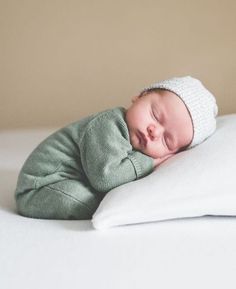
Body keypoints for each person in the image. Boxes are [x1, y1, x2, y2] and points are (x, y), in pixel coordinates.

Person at [15, 76, 218, 220]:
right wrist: (149, 161)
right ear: (140, 95)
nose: (154, 131)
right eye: (155, 115)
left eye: (167, 140)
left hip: (67, 179)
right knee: (89, 201)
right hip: (41, 184)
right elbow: (106, 178)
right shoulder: (109, 125)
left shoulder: (134, 138)